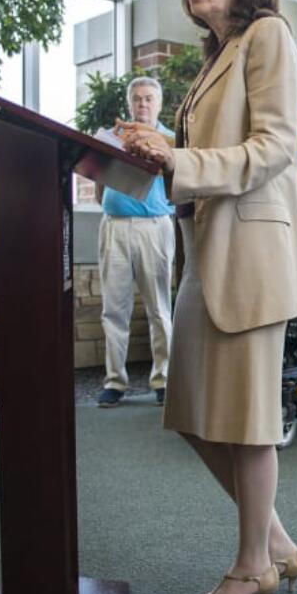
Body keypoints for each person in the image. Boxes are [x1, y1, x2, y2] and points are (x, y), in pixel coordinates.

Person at [120, 0, 297, 594]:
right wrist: (153, 154)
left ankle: (249, 568)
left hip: (252, 253)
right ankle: (275, 544)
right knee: (194, 413)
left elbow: (273, 147)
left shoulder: (268, 35)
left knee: (245, 418)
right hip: (204, 249)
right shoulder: (217, 56)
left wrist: (176, 159)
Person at [94, 76, 176, 408]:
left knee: (159, 308)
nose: (142, 104)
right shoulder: (113, 137)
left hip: (154, 227)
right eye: (137, 99)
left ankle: (164, 380)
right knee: (113, 308)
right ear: (130, 103)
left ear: (158, 104)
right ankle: (114, 382)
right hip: (113, 226)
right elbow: (98, 179)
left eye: (148, 99)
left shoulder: (170, 139)